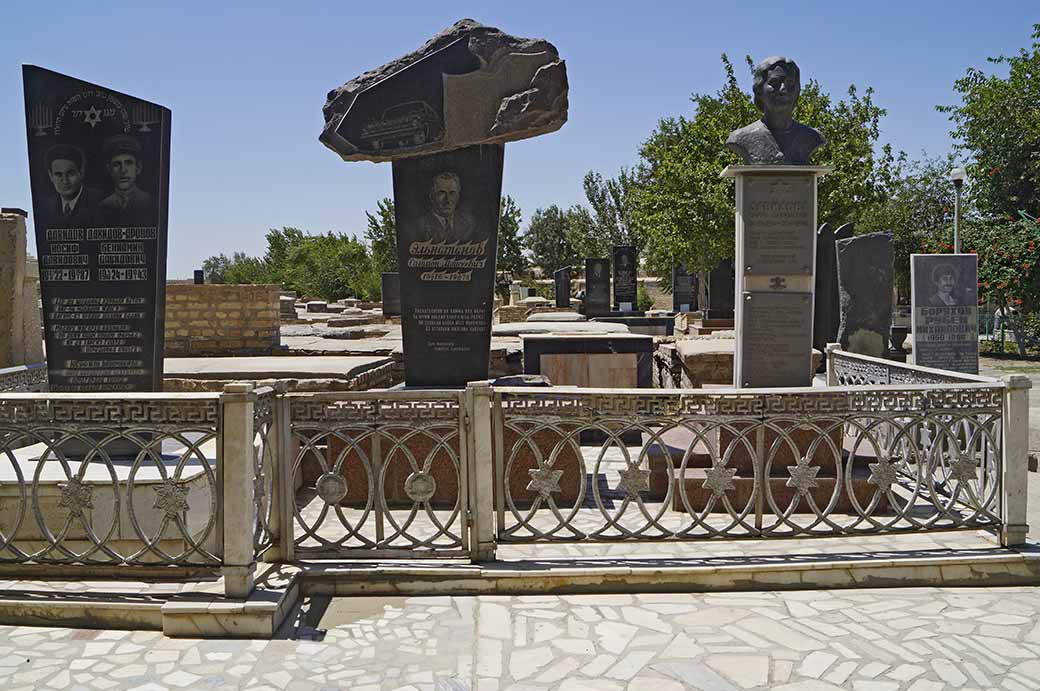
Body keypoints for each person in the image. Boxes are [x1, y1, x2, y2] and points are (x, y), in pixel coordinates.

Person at [726, 56, 826, 165]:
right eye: (774, 83)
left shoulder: (812, 137)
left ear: (798, 91)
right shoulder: (740, 137)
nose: (783, 89)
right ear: (759, 91)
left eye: (790, 83)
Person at [98, 135, 154, 224]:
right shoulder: (103, 205)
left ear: (138, 168)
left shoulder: (149, 202)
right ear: (109, 170)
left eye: (128, 163)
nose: (123, 170)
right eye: (117, 164)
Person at [43, 144, 103, 226]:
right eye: (58, 175)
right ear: (51, 176)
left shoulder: (100, 202)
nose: (65, 181)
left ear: (81, 172)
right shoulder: (46, 207)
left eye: (70, 173)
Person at [417, 171, 475, 243]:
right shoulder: (420, 225)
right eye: (442, 193)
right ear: (432, 197)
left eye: (452, 193)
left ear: (458, 196)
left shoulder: (468, 223)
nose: (448, 200)